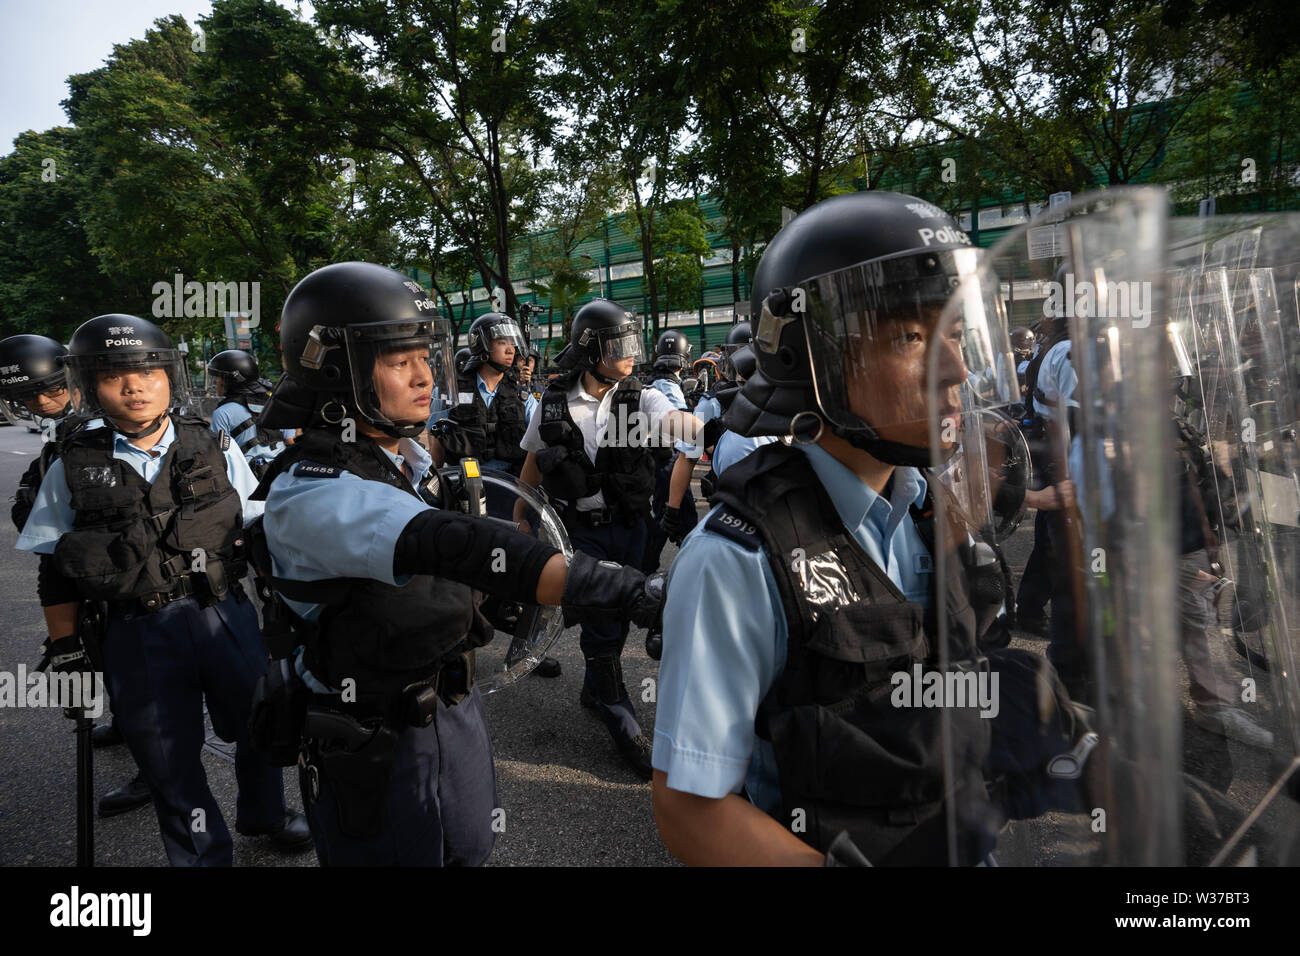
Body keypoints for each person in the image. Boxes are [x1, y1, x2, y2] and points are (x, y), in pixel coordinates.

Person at [650, 192, 1092, 865]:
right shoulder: (737, 560)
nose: (956, 369)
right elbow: (689, 810)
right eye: (909, 337)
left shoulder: (933, 512)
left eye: (952, 331)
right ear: (813, 358)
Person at [253, 263, 663, 865]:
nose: (424, 377)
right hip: (372, 728)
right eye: (399, 362)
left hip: (451, 700)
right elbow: (455, 544)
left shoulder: (410, 461)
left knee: (471, 846)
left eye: (425, 356)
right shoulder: (312, 491)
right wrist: (638, 593)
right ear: (336, 373)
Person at [15, 314, 310, 866]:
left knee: (261, 724)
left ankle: (266, 812)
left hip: (223, 612)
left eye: (147, 371)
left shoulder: (214, 443)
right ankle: (202, 856)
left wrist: (296, 606)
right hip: (137, 630)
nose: (134, 386)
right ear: (90, 385)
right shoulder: (71, 464)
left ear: (169, 377)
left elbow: (258, 526)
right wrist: (65, 645)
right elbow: (55, 565)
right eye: (114, 376)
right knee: (166, 757)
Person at [517, 298, 701, 780]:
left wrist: (714, 423)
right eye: (620, 344)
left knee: (626, 611)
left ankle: (595, 688)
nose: (631, 354)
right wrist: (521, 522)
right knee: (601, 619)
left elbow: (684, 428)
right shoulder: (552, 403)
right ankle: (620, 716)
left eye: (633, 343)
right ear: (591, 348)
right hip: (581, 532)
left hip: (634, 529)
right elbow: (531, 468)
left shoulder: (641, 398)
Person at [0, 332, 154, 819]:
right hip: (84, 566)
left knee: (138, 673)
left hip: (123, 568)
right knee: (105, 656)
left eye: (51, 389)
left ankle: (154, 767)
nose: (42, 402)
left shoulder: (99, 425)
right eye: (30, 396)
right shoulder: (62, 427)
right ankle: (129, 726)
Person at [429, 313, 537, 477]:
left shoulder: (522, 395)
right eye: (502, 342)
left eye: (513, 344)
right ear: (482, 344)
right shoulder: (449, 392)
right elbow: (437, 440)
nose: (511, 350)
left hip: (510, 484)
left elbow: (537, 441)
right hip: (462, 480)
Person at [641, 329, 699, 573]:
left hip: (659, 460)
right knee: (679, 519)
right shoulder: (667, 385)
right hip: (668, 461)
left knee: (667, 517)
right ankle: (648, 568)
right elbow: (678, 425)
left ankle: (646, 566)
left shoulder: (656, 380)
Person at [206, 349, 287, 478]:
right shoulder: (274, 403)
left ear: (232, 380)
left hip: (248, 479)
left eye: (219, 377)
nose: (215, 382)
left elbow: (219, 456)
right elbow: (290, 440)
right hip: (283, 473)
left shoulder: (222, 413)